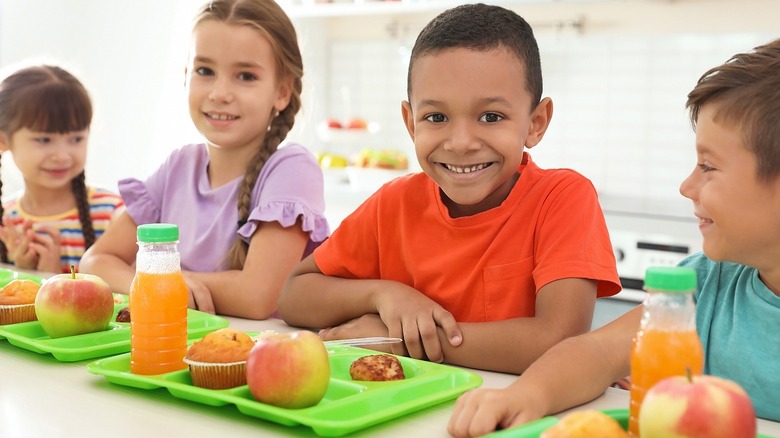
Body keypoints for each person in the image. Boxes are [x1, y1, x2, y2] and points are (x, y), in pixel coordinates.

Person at [447, 38, 780, 437]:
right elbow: (597, 352)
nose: (687, 186)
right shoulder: (709, 283)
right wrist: (527, 395)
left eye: (708, 167)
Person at [278, 4, 620, 373]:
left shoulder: (563, 198)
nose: (460, 143)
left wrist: (402, 341)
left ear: (536, 123)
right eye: (436, 117)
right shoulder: (392, 204)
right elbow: (294, 297)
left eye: (491, 117)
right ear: (411, 123)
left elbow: (558, 341)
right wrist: (384, 294)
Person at [79, 0, 329, 320]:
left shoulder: (292, 169)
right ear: (186, 76)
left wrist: (160, 283)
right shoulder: (178, 167)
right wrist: (162, 284)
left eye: (245, 76)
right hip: (173, 347)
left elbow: (258, 296)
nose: (220, 92)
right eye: (205, 71)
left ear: (282, 91)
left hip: (252, 357)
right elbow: (96, 261)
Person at [0, 65, 124, 274]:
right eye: (44, 139)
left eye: (76, 139)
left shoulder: (114, 215)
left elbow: (126, 299)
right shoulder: (7, 223)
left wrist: (53, 277)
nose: (62, 155)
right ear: (4, 140)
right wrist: (25, 272)